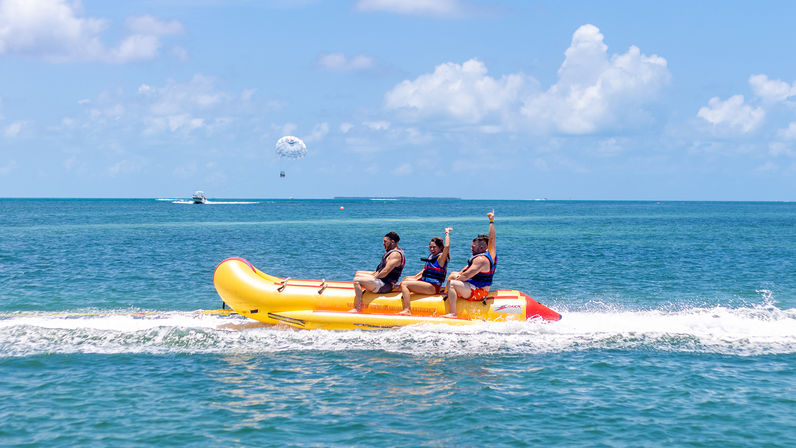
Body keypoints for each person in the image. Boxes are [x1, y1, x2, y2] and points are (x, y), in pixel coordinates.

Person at [442, 210, 496, 318]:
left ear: (481, 248)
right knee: (453, 274)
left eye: (473, 247)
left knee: (452, 283)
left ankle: (453, 313)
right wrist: (490, 220)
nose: (471, 248)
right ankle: (446, 296)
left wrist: (452, 283)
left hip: (479, 292)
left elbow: (465, 276)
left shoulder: (481, 259)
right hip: (474, 286)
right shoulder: (487, 254)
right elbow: (491, 239)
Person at [397, 227, 453, 315]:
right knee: (405, 279)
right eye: (430, 247)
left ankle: (407, 309)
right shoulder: (431, 257)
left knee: (405, 284)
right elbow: (424, 271)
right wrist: (413, 278)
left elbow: (447, 246)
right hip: (426, 284)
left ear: (440, 247)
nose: (431, 249)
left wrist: (447, 233)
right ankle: (401, 299)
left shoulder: (441, 258)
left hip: (432, 287)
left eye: (434, 247)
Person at [350, 231, 405, 312]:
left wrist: (372, 277)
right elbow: (381, 270)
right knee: (358, 273)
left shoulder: (395, 255)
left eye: (385, 241)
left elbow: (385, 272)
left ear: (392, 242)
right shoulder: (391, 252)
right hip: (382, 280)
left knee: (357, 280)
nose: (383, 243)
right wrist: (372, 276)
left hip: (385, 285)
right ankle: (361, 291)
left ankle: (357, 308)